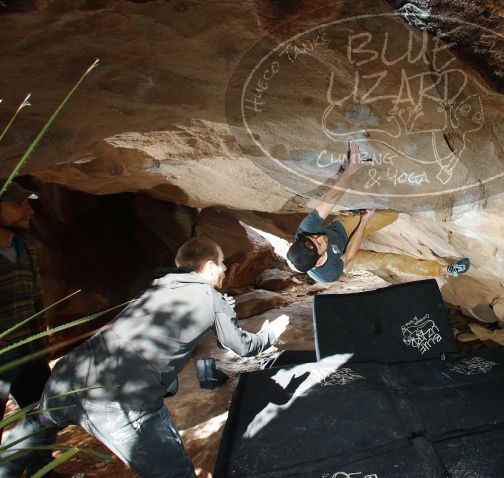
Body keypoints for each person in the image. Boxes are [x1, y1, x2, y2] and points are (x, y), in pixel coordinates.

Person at [0, 237, 289, 478]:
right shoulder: (208, 296)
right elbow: (242, 347)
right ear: (210, 265)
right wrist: (270, 334)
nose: (225, 270)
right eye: (223, 263)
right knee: (173, 472)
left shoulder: (156, 286)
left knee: (32, 434)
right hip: (119, 398)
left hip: (70, 374)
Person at [286, 142, 470, 284]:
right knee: (388, 260)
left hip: (340, 229)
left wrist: (351, 169)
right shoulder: (328, 274)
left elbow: (331, 198)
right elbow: (349, 254)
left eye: (313, 238)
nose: (319, 236)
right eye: (318, 244)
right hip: (347, 259)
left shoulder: (307, 230)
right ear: (318, 260)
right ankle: (446, 270)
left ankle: (353, 213)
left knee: (392, 215)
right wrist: (364, 221)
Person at [0, 181, 50, 436]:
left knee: (43, 416)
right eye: (18, 204)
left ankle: (43, 469)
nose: (29, 211)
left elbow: (36, 303)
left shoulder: (24, 249)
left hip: (28, 354)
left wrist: (41, 348)